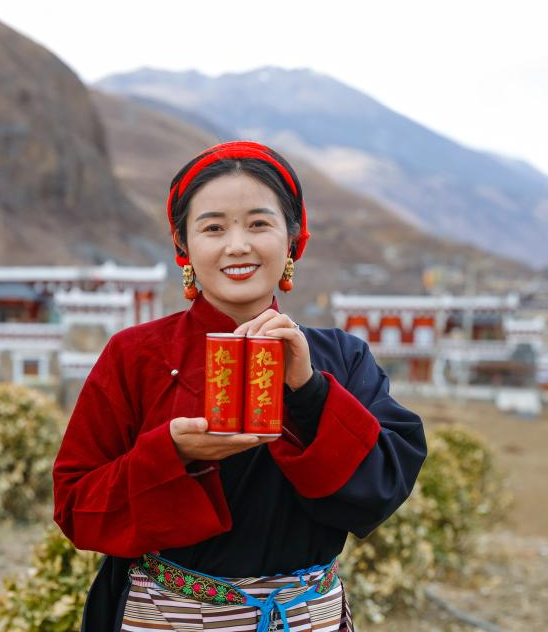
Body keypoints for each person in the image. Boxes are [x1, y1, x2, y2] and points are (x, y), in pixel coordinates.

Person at [52, 141, 427, 632]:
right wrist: (172, 455)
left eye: (258, 223)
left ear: (292, 239)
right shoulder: (135, 355)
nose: (237, 245)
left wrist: (310, 390)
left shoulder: (341, 356)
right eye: (213, 227)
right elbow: (77, 507)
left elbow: (383, 488)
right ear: (183, 247)